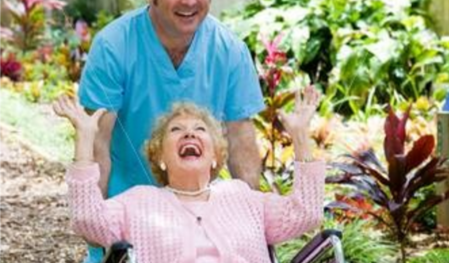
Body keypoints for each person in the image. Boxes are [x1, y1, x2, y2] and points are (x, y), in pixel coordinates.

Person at [78, 0, 265, 261]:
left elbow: (241, 141)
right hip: (129, 217)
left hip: (200, 219)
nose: (189, 1)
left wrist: (246, 224)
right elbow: (98, 146)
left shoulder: (230, 50)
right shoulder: (113, 46)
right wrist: (99, 232)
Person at [56, 86, 325, 263]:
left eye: (199, 129)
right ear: (160, 158)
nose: (189, 133)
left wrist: (300, 136)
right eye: (176, 130)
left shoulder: (243, 197)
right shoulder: (137, 202)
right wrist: (85, 138)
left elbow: (305, 213)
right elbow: (87, 219)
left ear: (215, 157)